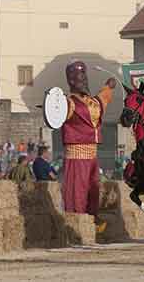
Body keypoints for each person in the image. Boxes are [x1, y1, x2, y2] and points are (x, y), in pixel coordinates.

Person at [61, 60, 115, 233]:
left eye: (84, 76)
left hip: (92, 154)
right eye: (78, 77)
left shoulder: (92, 102)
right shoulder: (68, 102)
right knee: (78, 190)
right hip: (76, 154)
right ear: (71, 80)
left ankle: (91, 222)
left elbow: (103, 99)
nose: (83, 80)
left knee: (93, 188)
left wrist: (109, 86)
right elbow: (55, 114)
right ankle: (75, 226)